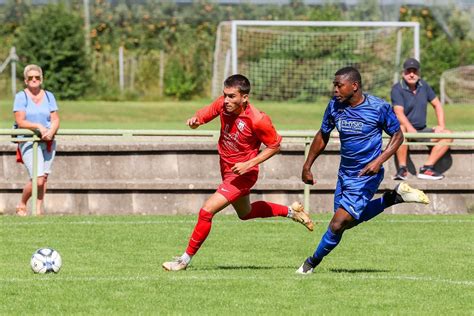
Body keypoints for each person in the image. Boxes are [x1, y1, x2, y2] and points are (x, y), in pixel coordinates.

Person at [162, 74, 314, 271]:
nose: (226, 101)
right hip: (227, 169)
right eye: (225, 95)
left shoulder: (258, 119)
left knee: (206, 211)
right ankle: (293, 212)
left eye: (232, 96)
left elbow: (275, 146)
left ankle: (183, 260)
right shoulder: (223, 105)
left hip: (243, 175)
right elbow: (206, 113)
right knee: (246, 213)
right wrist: (196, 120)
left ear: (245, 97)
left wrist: (249, 164)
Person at [296, 67, 429, 274]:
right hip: (344, 174)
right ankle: (392, 198)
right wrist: (307, 165)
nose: (335, 90)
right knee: (345, 223)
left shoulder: (378, 107)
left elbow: (398, 136)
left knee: (337, 224)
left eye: (339, 85)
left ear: (354, 86)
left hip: (366, 175)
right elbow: (323, 135)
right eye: (334, 85)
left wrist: (379, 160)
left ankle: (310, 264)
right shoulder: (334, 106)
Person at [391, 58, 452, 180]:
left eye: (415, 71)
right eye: (409, 71)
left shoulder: (424, 86)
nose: (412, 74)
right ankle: (402, 169)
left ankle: (427, 168)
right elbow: (398, 112)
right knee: (400, 128)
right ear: (404, 73)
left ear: (419, 73)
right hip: (405, 131)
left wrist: (441, 125)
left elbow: (437, 105)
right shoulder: (397, 88)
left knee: (448, 135)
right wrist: (410, 129)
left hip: (422, 130)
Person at [13, 64, 60, 216]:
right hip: (28, 140)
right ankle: (22, 204)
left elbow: (55, 118)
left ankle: (38, 210)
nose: (34, 80)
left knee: (44, 178)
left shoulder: (49, 96)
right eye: (30, 78)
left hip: (47, 141)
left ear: (41, 79)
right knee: (37, 179)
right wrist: (38, 126)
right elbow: (20, 121)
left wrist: (51, 131)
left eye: (37, 77)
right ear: (26, 80)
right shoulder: (21, 96)